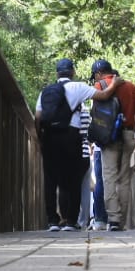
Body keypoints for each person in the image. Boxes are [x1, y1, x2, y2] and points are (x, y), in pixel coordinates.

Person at [89, 58, 135, 232]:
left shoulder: (100, 86)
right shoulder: (131, 87)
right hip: (128, 133)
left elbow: (96, 113)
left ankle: (114, 219)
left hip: (109, 138)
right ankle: (121, 222)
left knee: (109, 177)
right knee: (124, 178)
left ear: (99, 74)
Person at [34, 58, 96, 231]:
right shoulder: (79, 87)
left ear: (57, 73)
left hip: (50, 138)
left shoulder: (46, 91)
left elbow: (38, 118)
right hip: (71, 137)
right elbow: (103, 95)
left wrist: (40, 140)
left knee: (51, 180)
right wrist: (115, 84)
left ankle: (52, 221)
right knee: (73, 179)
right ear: (72, 72)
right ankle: (70, 221)